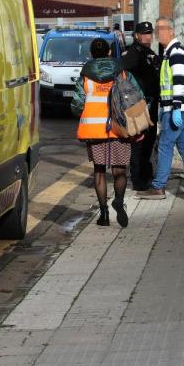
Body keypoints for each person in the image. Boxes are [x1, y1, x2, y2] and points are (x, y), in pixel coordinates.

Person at [72, 38, 135, 227]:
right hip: (119, 128)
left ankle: (104, 215)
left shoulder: (85, 76)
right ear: (109, 52)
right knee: (119, 169)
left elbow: (77, 104)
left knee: (99, 171)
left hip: (94, 130)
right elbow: (136, 95)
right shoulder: (122, 72)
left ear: (91, 54)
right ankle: (119, 200)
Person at [145, 17, 184, 198]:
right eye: (157, 29)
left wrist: (175, 106)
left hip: (178, 110)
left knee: (165, 145)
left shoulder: (175, 52)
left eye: (162, 28)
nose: (159, 33)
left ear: (172, 31)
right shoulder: (173, 52)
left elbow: (178, 81)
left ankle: (159, 186)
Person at [121, 21, 159, 194]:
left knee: (149, 141)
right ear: (136, 35)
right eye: (144, 34)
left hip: (151, 104)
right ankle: (138, 180)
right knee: (139, 143)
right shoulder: (133, 53)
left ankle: (146, 174)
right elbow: (123, 71)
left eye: (149, 33)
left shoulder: (148, 52)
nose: (147, 36)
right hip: (139, 105)